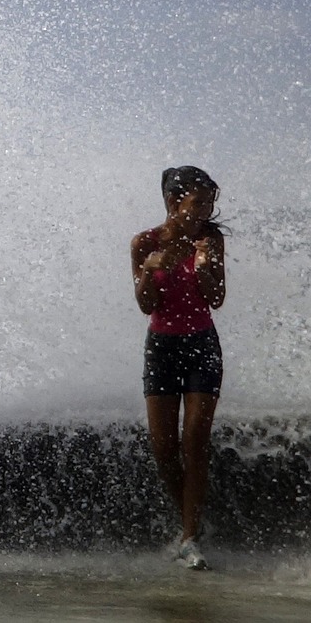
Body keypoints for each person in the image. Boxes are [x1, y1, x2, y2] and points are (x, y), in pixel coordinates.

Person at [131, 166, 226, 570]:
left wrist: (205, 266)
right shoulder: (144, 242)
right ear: (174, 202)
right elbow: (145, 304)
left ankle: (189, 539)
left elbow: (217, 298)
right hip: (162, 348)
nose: (204, 211)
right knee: (164, 447)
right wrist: (152, 269)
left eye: (209, 203)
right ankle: (192, 516)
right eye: (197, 203)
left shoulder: (210, 238)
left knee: (195, 439)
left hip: (202, 344)